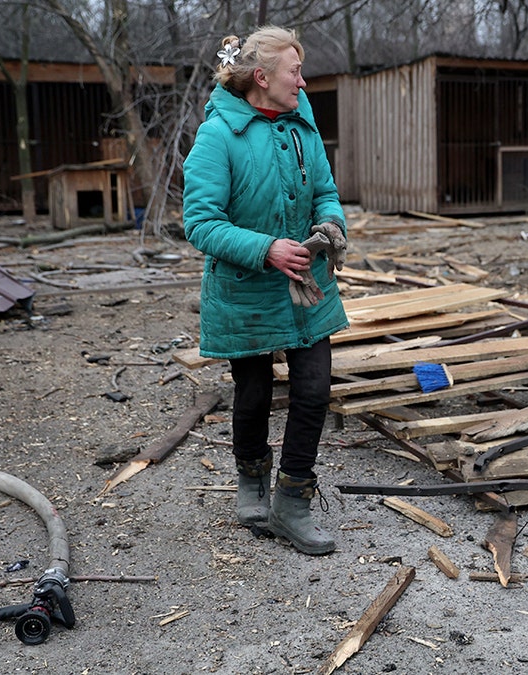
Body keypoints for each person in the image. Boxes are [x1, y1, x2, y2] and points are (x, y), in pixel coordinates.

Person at [183, 25, 348, 556]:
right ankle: (251, 479)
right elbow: (200, 222)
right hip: (245, 289)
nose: (302, 81)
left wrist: (330, 224)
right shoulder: (218, 136)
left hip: (307, 284)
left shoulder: (303, 125)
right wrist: (267, 250)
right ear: (262, 78)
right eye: (294, 72)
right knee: (252, 394)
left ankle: (292, 503)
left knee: (314, 388)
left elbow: (325, 191)